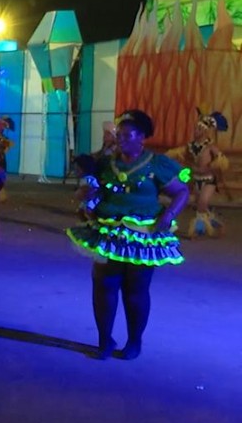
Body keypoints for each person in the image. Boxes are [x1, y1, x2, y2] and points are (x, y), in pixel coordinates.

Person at [67, 110, 190, 360]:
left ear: (142, 137)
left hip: (143, 237)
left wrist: (168, 216)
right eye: (118, 134)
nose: (120, 139)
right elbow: (89, 187)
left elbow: (182, 191)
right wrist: (86, 196)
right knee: (103, 285)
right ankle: (104, 341)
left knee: (136, 290)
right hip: (107, 234)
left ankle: (134, 342)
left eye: (126, 135)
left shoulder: (156, 164)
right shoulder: (105, 163)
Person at [166, 109, 230, 238]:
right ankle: (215, 223)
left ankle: (197, 229)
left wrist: (217, 163)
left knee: (202, 202)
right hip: (196, 179)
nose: (196, 132)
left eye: (199, 130)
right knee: (200, 206)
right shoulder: (190, 147)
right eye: (195, 129)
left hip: (209, 180)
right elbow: (177, 153)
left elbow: (222, 160)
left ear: (206, 131)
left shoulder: (210, 147)